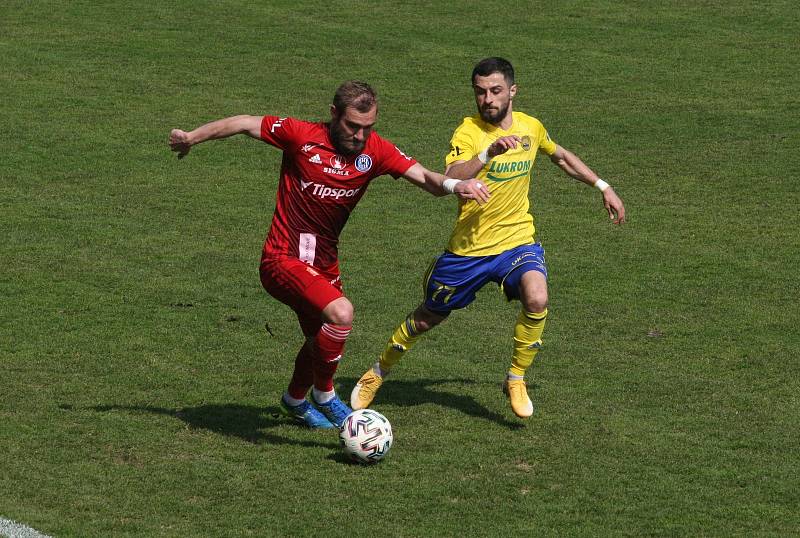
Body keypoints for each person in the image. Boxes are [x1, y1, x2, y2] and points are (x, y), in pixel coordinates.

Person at [168, 81, 489, 429]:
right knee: (341, 313)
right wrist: (191, 137)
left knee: (319, 340)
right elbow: (245, 122)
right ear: (334, 115)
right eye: (353, 126)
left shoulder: (375, 151)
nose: (360, 136)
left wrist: (457, 185)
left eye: (368, 127)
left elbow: (427, 179)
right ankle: (324, 395)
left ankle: (294, 401)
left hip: (323, 263)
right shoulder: (301, 135)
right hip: (282, 258)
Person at [350, 58, 626, 418]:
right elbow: (451, 175)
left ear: (512, 91)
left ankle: (515, 377)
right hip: (469, 251)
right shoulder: (469, 132)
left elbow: (560, 156)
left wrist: (603, 186)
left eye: (495, 91)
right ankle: (378, 371)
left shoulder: (531, 127)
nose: (487, 99)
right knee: (426, 318)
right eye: (480, 92)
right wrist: (487, 154)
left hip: (517, 241)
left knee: (537, 298)